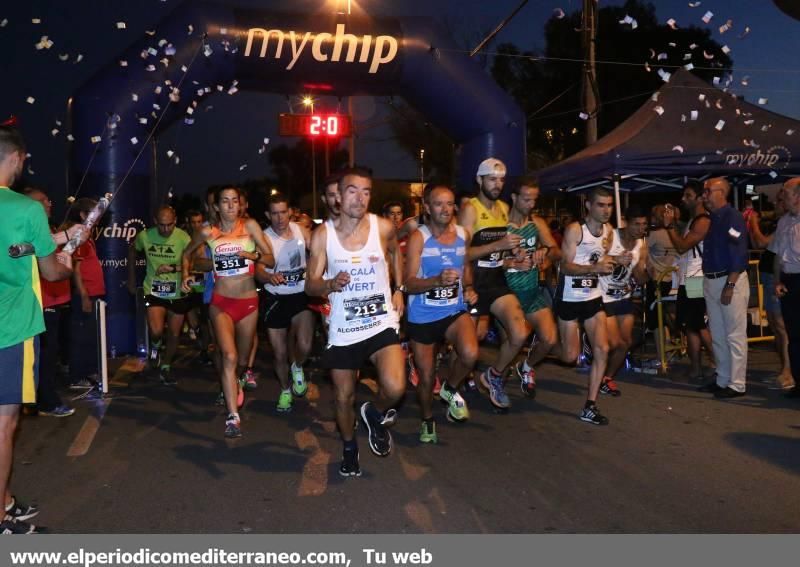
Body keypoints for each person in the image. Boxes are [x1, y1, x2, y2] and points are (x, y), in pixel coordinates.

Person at [306, 167, 405, 477]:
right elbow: (310, 285)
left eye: (366, 192)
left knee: (396, 387)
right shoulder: (324, 235)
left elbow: (395, 254)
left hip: (379, 321)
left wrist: (399, 289)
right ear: (339, 194)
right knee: (342, 397)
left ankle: (373, 414)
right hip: (345, 328)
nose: (360, 198)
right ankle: (349, 446)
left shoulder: (384, 227)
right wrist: (329, 285)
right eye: (352, 191)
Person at [1, 124, 73, 533]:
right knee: (4, 425)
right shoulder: (25, 210)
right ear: (16, 158)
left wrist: (54, 239)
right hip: (9, 330)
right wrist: (68, 258)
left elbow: (15, 249)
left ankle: (5, 500)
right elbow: (51, 271)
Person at [181, 187, 275, 438]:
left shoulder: (250, 227)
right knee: (229, 356)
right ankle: (233, 416)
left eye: (235, 201)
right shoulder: (208, 231)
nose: (231, 206)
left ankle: (238, 380)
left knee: (242, 362)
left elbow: (270, 259)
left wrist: (250, 255)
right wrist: (186, 275)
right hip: (220, 301)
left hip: (248, 302)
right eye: (225, 202)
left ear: (240, 205)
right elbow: (188, 255)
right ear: (217, 207)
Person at [405, 185, 478, 443]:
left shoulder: (462, 234)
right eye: (438, 204)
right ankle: (427, 420)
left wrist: (469, 288)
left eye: (449, 204)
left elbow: (465, 266)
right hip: (422, 315)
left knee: (470, 354)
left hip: (452, 310)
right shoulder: (419, 238)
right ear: (427, 207)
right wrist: (436, 280)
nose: (445, 209)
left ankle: (450, 388)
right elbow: (408, 283)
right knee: (425, 377)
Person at [457, 158, 527, 410]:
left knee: (520, 333)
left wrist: (514, 253)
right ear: (479, 180)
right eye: (491, 179)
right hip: (473, 281)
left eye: (501, 180)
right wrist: (498, 245)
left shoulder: (504, 208)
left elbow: (505, 246)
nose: (497, 185)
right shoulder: (470, 209)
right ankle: (452, 385)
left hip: (496, 278)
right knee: (470, 346)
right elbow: (462, 253)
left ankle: (494, 376)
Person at [555, 188, 615, 425]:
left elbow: (600, 259)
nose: (606, 210)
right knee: (570, 356)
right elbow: (565, 267)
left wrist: (613, 262)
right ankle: (543, 346)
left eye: (609, 205)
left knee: (603, 348)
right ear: (588, 206)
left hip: (592, 296)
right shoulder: (575, 230)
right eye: (601, 205)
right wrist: (594, 269)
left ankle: (590, 406)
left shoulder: (609, 231)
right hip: (569, 297)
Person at [257, 193, 313, 413]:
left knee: (306, 346)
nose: (280, 218)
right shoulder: (263, 237)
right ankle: (285, 390)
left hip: (300, 294)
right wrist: (268, 276)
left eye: (283, 212)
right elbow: (258, 270)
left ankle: (297, 366)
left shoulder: (301, 230)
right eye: (275, 213)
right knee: (279, 353)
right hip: (275, 297)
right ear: (268, 215)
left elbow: (319, 248)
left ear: (290, 212)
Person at [505, 177, 561, 398]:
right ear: (514, 197)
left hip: (531, 292)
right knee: (510, 344)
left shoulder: (536, 223)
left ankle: (527, 367)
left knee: (549, 339)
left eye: (534, 200)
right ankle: (495, 378)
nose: (531, 204)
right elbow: (485, 261)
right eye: (526, 199)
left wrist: (544, 254)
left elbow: (557, 251)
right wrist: (510, 262)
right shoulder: (501, 225)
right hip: (507, 295)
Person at [23, 187, 75, 417]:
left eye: (48, 199)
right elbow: (52, 271)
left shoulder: (44, 230)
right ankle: (44, 401)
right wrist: (65, 264)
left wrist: (69, 239)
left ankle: (34, 400)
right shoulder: (22, 229)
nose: (49, 204)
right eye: (43, 201)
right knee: (41, 355)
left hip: (43, 304)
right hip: (33, 306)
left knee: (44, 354)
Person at [128, 206, 192, 385]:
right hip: (154, 289)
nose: (166, 229)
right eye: (162, 225)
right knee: (156, 331)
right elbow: (132, 250)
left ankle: (166, 366)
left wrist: (173, 268)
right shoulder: (145, 236)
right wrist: (132, 278)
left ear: (176, 220)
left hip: (178, 291)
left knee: (173, 333)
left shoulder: (183, 238)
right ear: (155, 222)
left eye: (170, 225)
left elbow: (192, 264)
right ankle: (155, 346)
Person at [698, 177, 749, 398]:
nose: (704, 195)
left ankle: (737, 384)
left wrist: (730, 284)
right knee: (718, 334)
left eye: (708, 190)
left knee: (734, 335)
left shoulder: (732, 217)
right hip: (711, 280)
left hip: (729, 281)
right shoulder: (713, 219)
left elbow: (739, 252)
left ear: (721, 192)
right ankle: (723, 379)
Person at [662, 181, 715, 381]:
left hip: (696, 279)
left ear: (701, 197)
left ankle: (718, 363)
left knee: (699, 326)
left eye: (688, 196)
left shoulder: (703, 220)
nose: (683, 199)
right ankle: (696, 368)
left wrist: (669, 227)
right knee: (690, 326)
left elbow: (682, 246)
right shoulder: (694, 219)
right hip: (688, 279)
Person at [599, 206, 649, 396]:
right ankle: (592, 344)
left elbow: (639, 275)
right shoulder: (611, 236)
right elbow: (593, 257)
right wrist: (615, 258)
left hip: (623, 296)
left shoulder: (640, 246)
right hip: (603, 295)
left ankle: (607, 378)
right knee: (614, 342)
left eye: (644, 224)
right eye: (636, 224)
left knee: (625, 342)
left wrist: (650, 273)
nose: (640, 228)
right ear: (626, 222)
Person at [749, 191, 794, 390]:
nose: (776, 203)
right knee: (776, 326)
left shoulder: (787, 223)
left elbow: (761, 243)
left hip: (779, 277)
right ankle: (784, 368)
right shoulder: (781, 223)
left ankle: (788, 371)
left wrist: (753, 223)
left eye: (780, 200)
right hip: (769, 275)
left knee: (782, 326)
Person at [65, 198, 106, 389]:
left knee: (91, 336)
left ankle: (89, 371)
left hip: (94, 293)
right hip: (86, 295)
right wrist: (83, 296)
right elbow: (75, 268)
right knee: (81, 337)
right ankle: (77, 377)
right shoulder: (78, 235)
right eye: (94, 214)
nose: (98, 218)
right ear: (83, 215)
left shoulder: (87, 235)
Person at [770, 177, 800, 399]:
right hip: (788, 281)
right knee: (793, 334)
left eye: (786, 193)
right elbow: (778, 256)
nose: (782, 197)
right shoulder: (784, 222)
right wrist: (777, 281)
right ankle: (798, 381)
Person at [646, 204, 680, 366]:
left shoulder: (653, 235)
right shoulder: (677, 233)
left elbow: (642, 254)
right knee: (670, 316)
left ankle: (662, 356)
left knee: (656, 321)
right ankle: (674, 347)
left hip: (658, 280)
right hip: (675, 280)